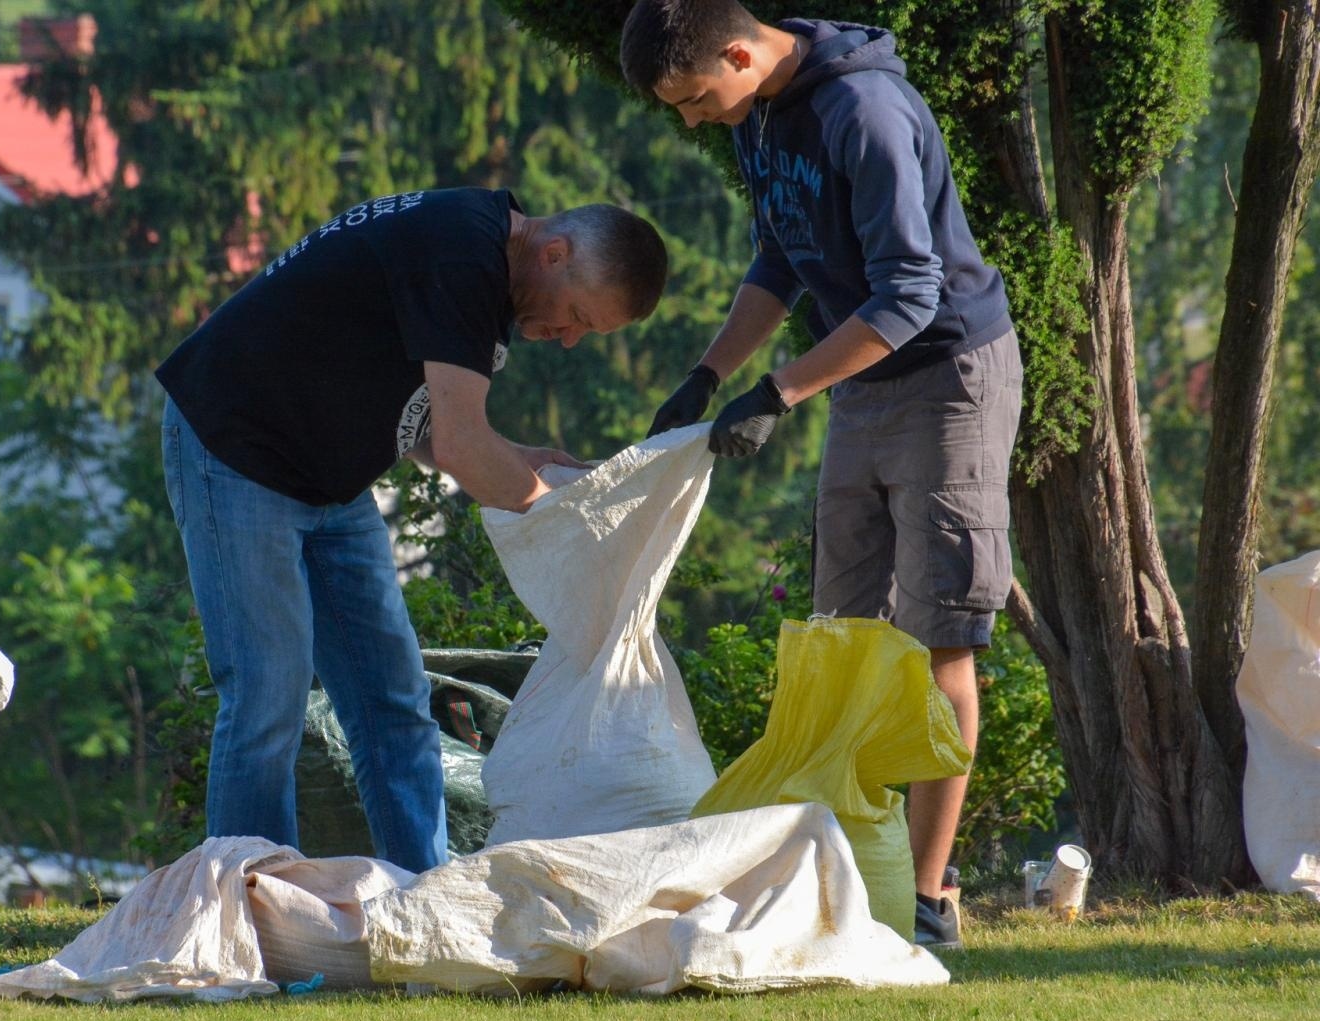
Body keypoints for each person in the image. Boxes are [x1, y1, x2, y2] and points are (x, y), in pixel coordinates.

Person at [621, 1, 1022, 947]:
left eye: (693, 97)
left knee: (940, 642)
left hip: (946, 377)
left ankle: (927, 900)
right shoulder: (761, 110)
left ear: (738, 50)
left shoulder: (865, 112)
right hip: (859, 383)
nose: (692, 119)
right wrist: (709, 375)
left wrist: (777, 394)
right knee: (841, 633)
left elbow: (911, 294)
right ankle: (848, 872)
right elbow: (782, 256)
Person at [156, 187, 668, 873]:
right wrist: (564, 518)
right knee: (266, 698)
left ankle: (425, 901)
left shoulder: (488, 269)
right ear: (555, 252)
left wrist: (517, 461)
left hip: (331, 481)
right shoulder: (462, 250)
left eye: (585, 332)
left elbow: (430, 424)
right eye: (576, 316)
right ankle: (242, 918)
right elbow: (460, 448)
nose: (567, 338)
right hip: (235, 450)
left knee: (392, 703)